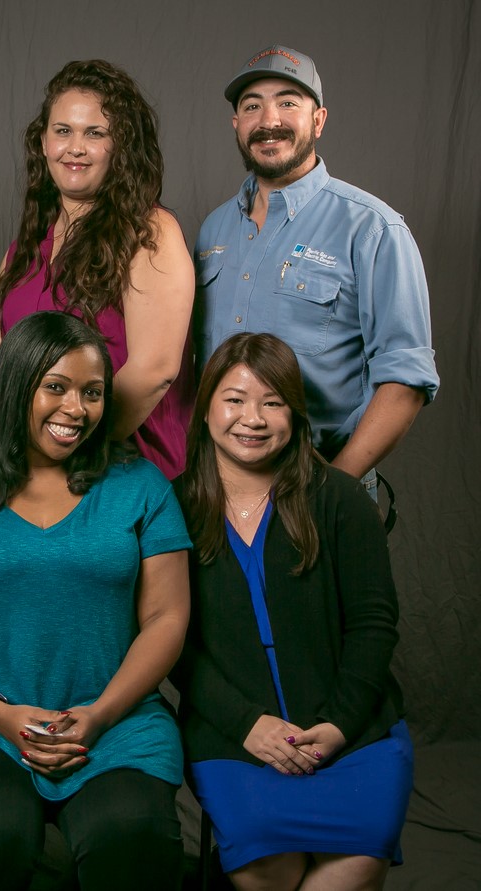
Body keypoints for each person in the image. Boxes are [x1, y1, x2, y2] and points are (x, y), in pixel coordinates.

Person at [0, 311, 191, 889]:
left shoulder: (141, 487)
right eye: (55, 387)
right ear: (14, 387)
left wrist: (99, 716)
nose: (76, 409)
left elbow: (167, 616)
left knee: (133, 838)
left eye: (93, 392)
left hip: (114, 722)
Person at [175, 332, 413, 890]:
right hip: (235, 739)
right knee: (269, 873)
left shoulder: (341, 499)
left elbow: (375, 627)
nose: (252, 418)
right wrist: (246, 726)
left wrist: (337, 726)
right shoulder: (173, 508)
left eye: (272, 402)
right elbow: (172, 644)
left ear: (295, 413)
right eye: (234, 399)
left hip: (355, 735)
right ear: (206, 405)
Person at [194, 45, 439, 496]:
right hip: (216, 488)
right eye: (252, 106)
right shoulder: (213, 230)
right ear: (237, 125)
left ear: (319, 120)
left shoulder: (372, 228)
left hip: (319, 485)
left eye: (288, 101)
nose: (269, 120)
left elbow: (406, 378)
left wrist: (334, 491)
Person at [0, 59, 195, 481]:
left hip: (116, 470)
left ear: (120, 147)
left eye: (95, 133)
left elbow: (155, 369)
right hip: (22, 477)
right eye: (63, 131)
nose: (75, 147)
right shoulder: (21, 253)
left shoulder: (150, 232)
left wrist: (66, 457)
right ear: (43, 142)